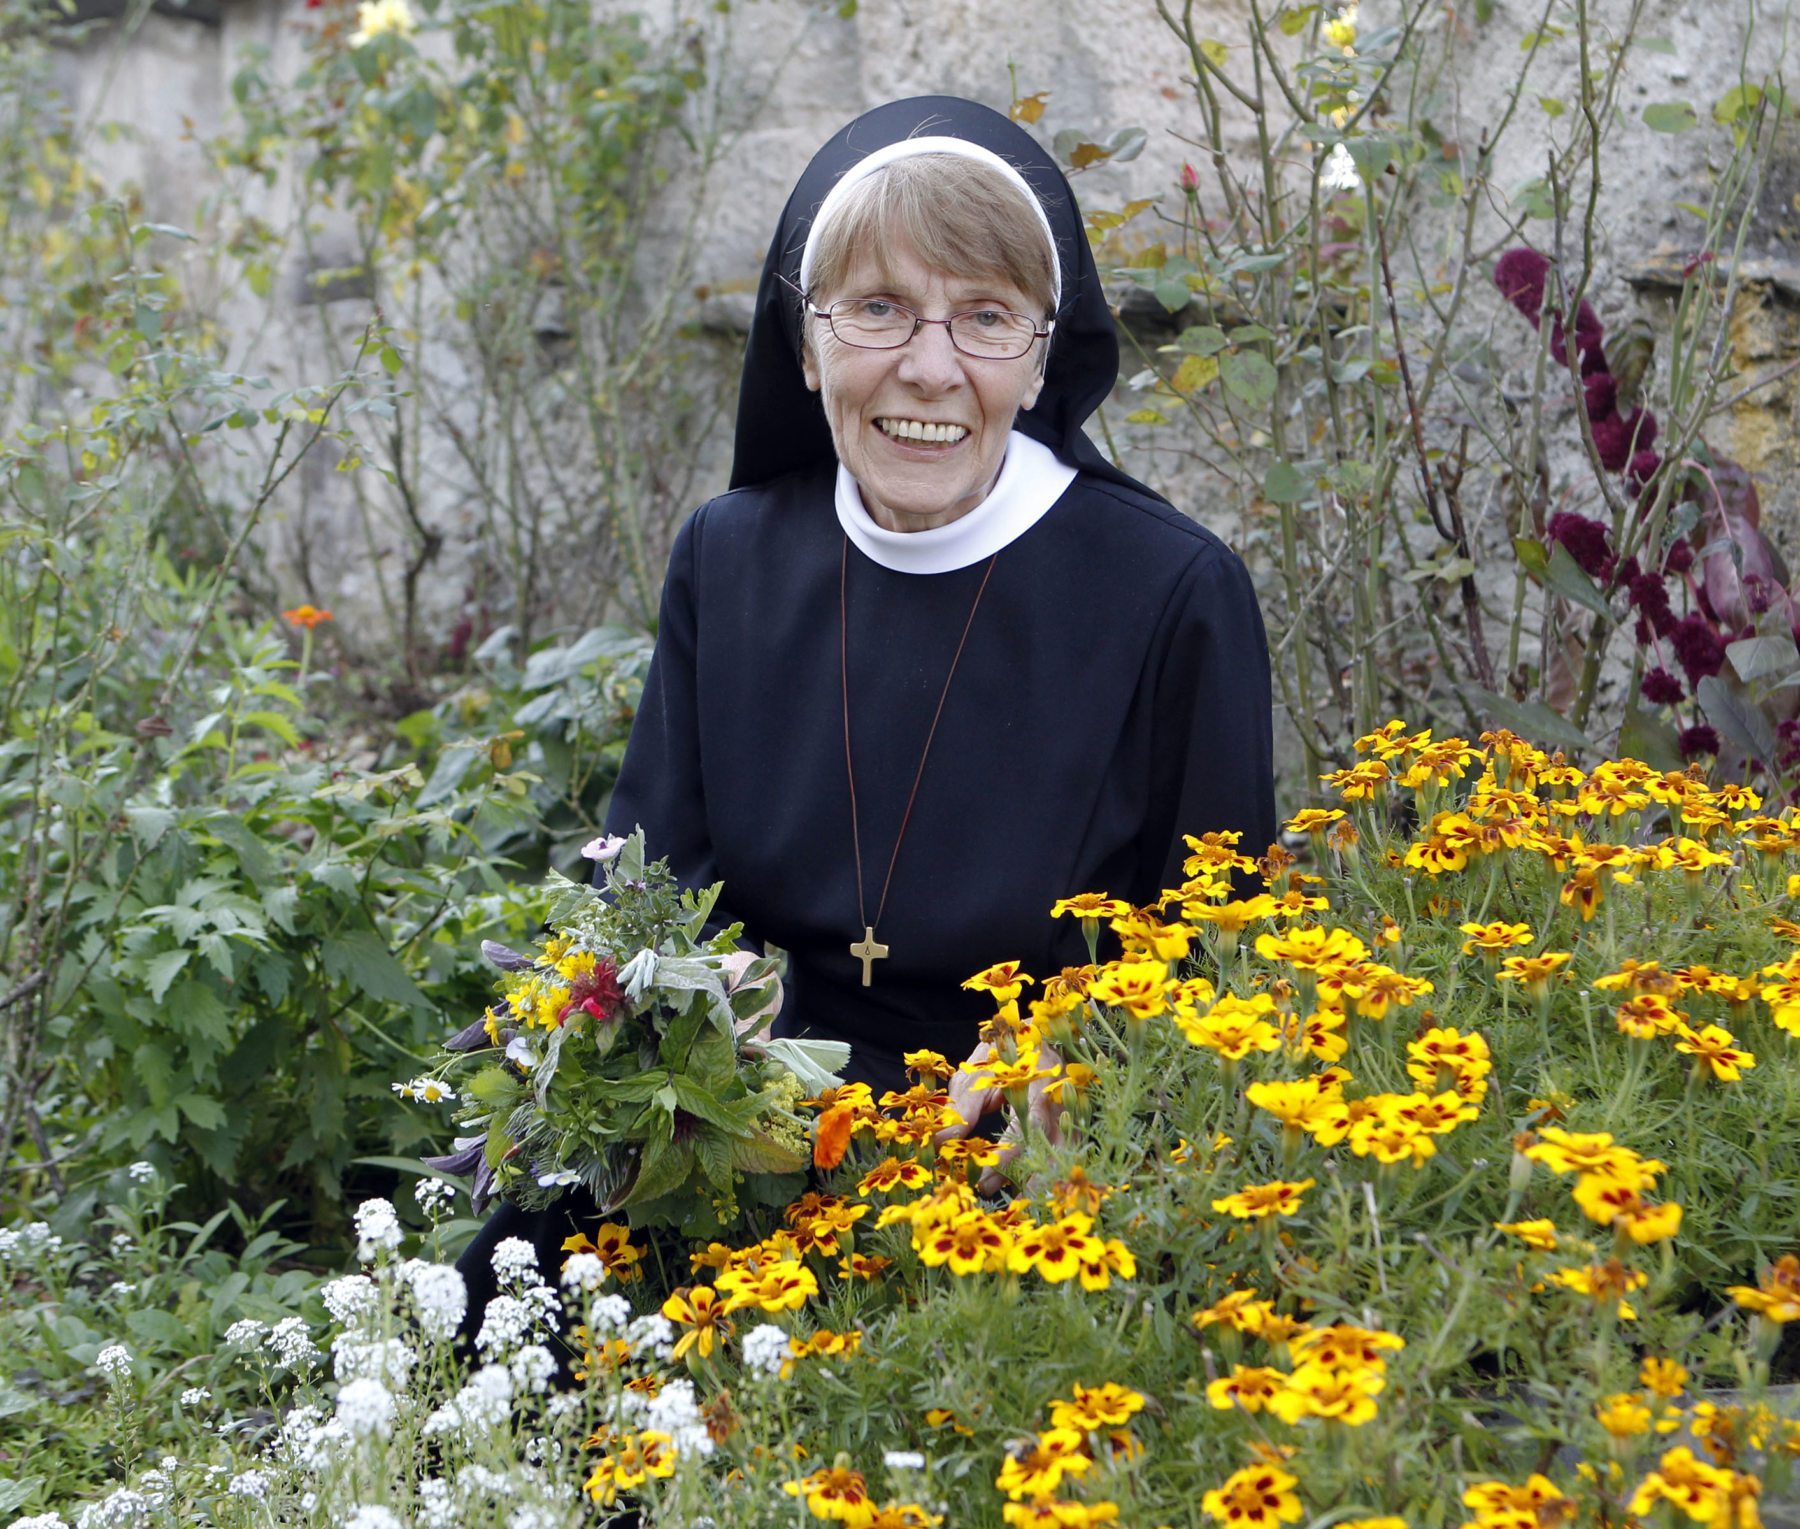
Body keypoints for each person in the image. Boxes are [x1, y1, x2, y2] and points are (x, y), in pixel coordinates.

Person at [455, 94, 1275, 1329]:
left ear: (1044, 355)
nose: (930, 367)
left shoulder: (1173, 592)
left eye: (986, 317)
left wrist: (1085, 1051)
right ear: (803, 343)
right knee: (493, 1317)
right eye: (879, 308)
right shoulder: (728, 559)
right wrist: (665, 1042)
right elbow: (650, 895)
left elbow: (1224, 946)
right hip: (761, 1122)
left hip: (1029, 1148)